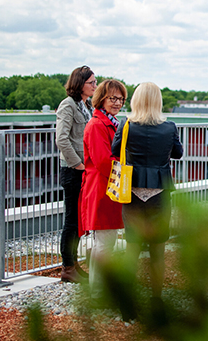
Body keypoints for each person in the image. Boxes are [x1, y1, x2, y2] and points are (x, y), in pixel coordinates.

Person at [111, 82, 183, 314]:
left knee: (132, 247)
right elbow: (178, 153)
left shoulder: (127, 125)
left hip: (132, 192)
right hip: (159, 193)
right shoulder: (169, 127)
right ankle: (156, 300)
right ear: (158, 102)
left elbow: (114, 150)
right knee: (157, 250)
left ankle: (128, 304)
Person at [79, 79, 127, 301]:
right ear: (102, 99)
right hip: (102, 189)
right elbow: (103, 161)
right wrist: (128, 170)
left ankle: (102, 290)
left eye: (121, 99)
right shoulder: (98, 125)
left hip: (108, 188)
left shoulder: (111, 122)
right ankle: (98, 294)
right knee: (104, 244)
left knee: (107, 242)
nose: (117, 103)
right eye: (113, 98)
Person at [56, 65, 95, 283]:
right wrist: (79, 165)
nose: (95, 86)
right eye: (91, 82)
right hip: (73, 172)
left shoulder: (86, 105)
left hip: (84, 171)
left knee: (80, 221)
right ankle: (68, 268)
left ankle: (74, 265)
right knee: (72, 221)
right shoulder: (67, 106)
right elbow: (62, 139)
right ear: (80, 83)